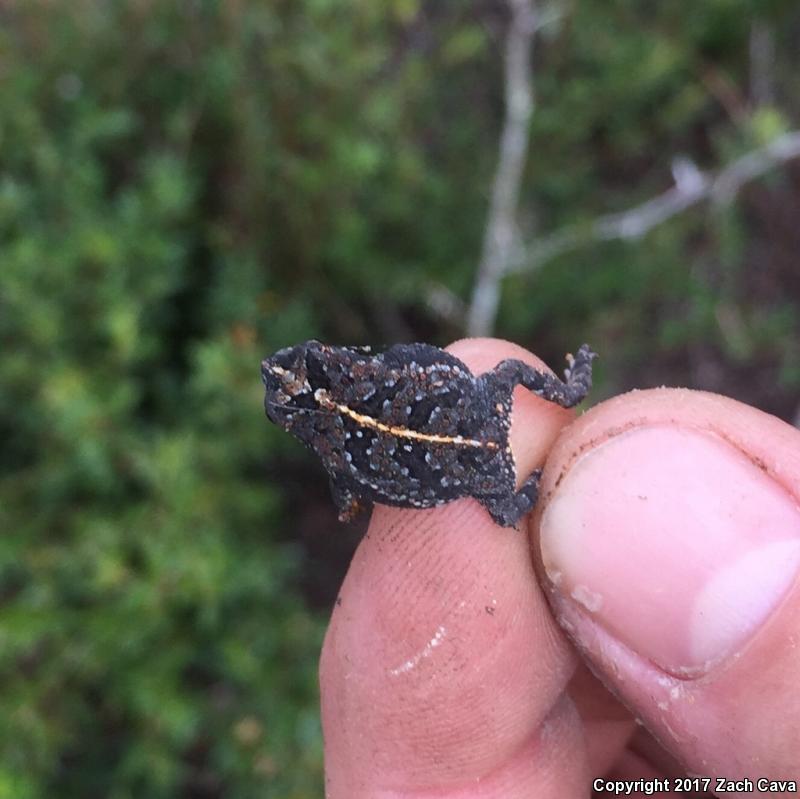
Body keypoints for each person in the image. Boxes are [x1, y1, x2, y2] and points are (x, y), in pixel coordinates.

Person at [319, 339, 800, 797]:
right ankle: (565, 418)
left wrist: (350, 505)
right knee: (505, 375)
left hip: (466, 458)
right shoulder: (350, 376)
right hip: (474, 428)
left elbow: (352, 484)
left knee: (509, 507)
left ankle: (550, 488)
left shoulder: (337, 443)